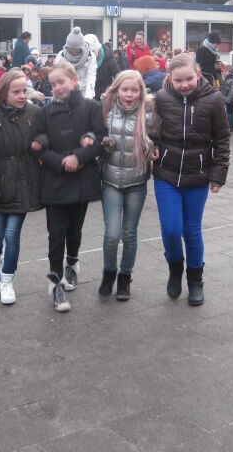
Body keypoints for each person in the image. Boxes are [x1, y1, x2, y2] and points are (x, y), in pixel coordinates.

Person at [153, 53, 230, 305]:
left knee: (191, 230)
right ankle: (175, 269)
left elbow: (222, 138)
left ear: (197, 74)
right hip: (166, 175)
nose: (184, 84)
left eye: (189, 79)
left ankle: (195, 280)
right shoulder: (161, 98)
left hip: (197, 176)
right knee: (171, 229)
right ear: (170, 78)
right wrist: (153, 145)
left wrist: (218, 173)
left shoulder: (214, 99)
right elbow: (152, 131)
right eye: (178, 81)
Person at [31, 61, 106, 313]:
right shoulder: (44, 112)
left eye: (61, 82)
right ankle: (55, 284)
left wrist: (79, 157)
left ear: (74, 81)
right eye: (53, 84)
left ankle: (72, 263)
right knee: (56, 234)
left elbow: (100, 139)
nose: (57, 88)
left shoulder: (92, 107)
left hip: (81, 179)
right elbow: (39, 145)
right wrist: (62, 162)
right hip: (54, 179)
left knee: (75, 230)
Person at [0, 69, 43, 304]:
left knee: (12, 234)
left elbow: (46, 135)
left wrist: (41, 142)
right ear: (4, 92)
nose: (22, 95)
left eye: (25, 90)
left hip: (25, 182)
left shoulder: (34, 113)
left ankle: (7, 279)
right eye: (16, 92)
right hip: (1, 183)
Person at [96, 70, 157, 301]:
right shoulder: (106, 109)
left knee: (129, 234)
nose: (129, 94)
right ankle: (109, 273)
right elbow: (93, 133)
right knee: (112, 234)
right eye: (125, 89)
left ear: (141, 91)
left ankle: (125, 277)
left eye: (134, 90)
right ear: (116, 90)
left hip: (136, 181)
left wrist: (153, 147)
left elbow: (159, 136)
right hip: (110, 180)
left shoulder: (149, 113)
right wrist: (100, 143)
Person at [55, 27, 97, 99]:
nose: (73, 51)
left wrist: (88, 100)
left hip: (84, 93)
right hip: (66, 92)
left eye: (76, 49)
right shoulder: (61, 56)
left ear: (81, 48)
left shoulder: (90, 57)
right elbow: (57, 77)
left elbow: (91, 78)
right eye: (70, 49)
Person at [84, 34, 120, 100]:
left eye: (92, 52)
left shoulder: (110, 60)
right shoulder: (85, 60)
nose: (90, 55)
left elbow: (119, 77)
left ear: (98, 49)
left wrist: (112, 91)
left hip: (104, 98)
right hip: (88, 97)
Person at [219, 64, 233, 132]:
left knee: (229, 114)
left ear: (230, 72)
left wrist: (227, 99)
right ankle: (227, 126)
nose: (223, 72)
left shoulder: (232, 81)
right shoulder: (225, 80)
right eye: (223, 71)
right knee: (227, 114)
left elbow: (232, 92)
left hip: (229, 101)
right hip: (226, 100)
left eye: (225, 71)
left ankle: (230, 127)